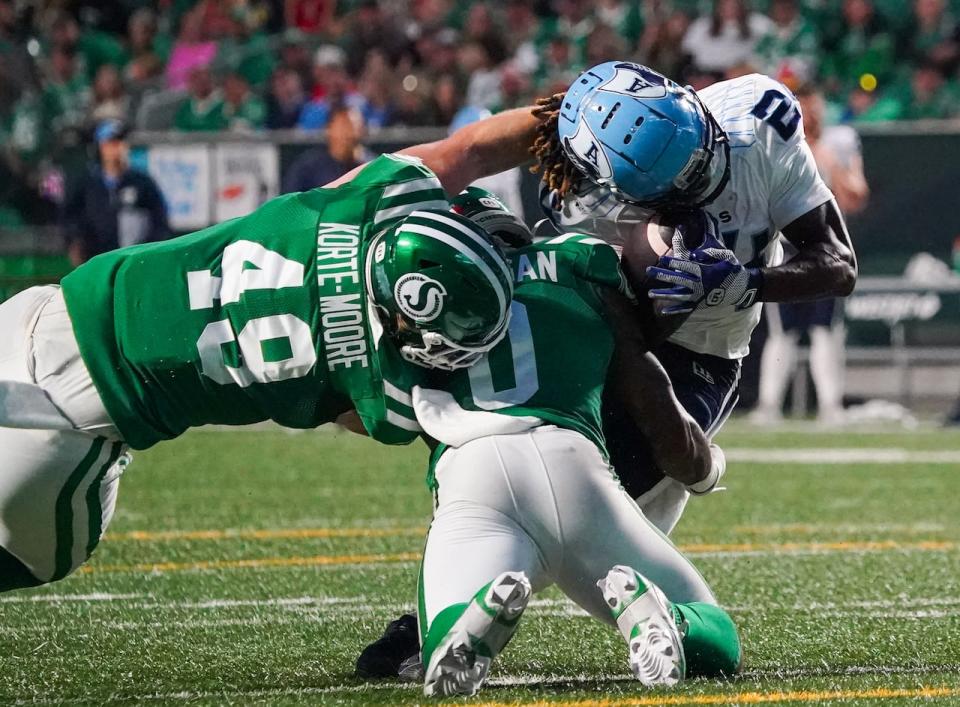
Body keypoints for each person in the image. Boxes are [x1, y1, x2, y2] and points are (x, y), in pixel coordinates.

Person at [357, 62, 857, 678]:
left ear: (688, 101)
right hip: (605, 328)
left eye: (700, 158)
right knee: (602, 511)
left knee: (607, 497)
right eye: (677, 186)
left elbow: (836, 263)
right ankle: (652, 613)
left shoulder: (759, 118)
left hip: (701, 348)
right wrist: (700, 466)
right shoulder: (582, 173)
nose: (702, 183)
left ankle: (444, 614)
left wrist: (744, 283)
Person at [0, 108, 542, 592]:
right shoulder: (384, 395)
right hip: (72, 424)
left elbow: (470, 148)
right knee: (50, 559)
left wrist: (567, 117)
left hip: (47, 307)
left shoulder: (354, 204)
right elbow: (386, 409)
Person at [405, 198, 741, 697]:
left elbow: (370, 412)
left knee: (437, 638)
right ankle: (665, 618)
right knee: (717, 636)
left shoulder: (419, 303)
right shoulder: (579, 260)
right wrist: (705, 468)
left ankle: (465, 625)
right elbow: (648, 388)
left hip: (471, 472)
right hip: (573, 464)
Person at [752, 83, 869, 425]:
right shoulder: (773, 146)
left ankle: (830, 406)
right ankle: (769, 404)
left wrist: (833, 167)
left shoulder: (836, 145)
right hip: (784, 247)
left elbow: (856, 198)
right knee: (782, 332)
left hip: (823, 244)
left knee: (824, 329)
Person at [63, 120, 170, 266]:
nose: (118, 148)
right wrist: (75, 242)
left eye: (121, 142)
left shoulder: (142, 182)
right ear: (100, 147)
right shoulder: (86, 184)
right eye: (111, 143)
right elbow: (69, 217)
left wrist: (150, 250)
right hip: (95, 261)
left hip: (134, 260)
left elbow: (159, 220)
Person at [282, 108, 367, 193]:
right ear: (329, 128)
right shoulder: (309, 166)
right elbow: (290, 197)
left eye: (355, 126)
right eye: (344, 125)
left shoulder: (369, 166)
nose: (349, 133)